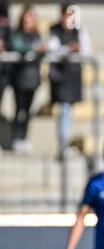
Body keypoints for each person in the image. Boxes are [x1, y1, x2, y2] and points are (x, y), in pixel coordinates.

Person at [48, 1, 92, 159]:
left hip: (73, 77)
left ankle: (64, 143)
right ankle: (63, 145)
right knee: (64, 110)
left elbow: (87, 51)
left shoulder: (80, 30)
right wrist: (68, 49)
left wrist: (78, 49)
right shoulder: (54, 30)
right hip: (60, 77)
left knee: (68, 110)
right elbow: (52, 50)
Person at [10, 4, 46, 154]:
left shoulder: (37, 35)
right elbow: (18, 47)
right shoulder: (17, 35)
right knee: (19, 110)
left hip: (33, 79)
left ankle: (24, 138)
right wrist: (33, 49)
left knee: (28, 111)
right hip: (19, 79)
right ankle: (17, 138)